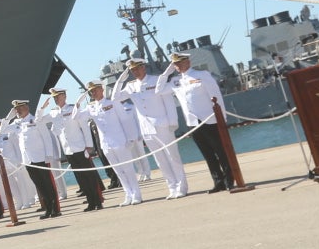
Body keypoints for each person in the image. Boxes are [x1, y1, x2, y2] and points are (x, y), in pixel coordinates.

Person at [114, 59, 189, 198]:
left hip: (162, 124)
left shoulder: (156, 80)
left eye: (137, 68)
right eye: (132, 70)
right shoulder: (131, 86)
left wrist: (172, 122)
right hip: (146, 129)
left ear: (144, 67)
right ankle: (172, 187)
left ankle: (182, 187)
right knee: (160, 160)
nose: (135, 72)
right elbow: (115, 98)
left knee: (173, 157)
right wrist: (120, 81)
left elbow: (168, 101)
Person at [162, 53, 235, 191]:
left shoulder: (202, 75)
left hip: (210, 120)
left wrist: (222, 118)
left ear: (188, 62)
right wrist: (167, 73)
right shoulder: (176, 81)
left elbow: (216, 96)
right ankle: (218, 181)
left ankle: (229, 180)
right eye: (175, 64)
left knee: (221, 152)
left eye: (180, 62)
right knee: (207, 154)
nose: (178, 66)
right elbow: (159, 90)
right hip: (193, 123)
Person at [44, 89, 105, 211]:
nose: (56, 99)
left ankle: (97, 201)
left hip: (80, 148)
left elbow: (85, 128)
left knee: (90, 176)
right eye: (54, 97)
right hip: (68, 150)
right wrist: (42, 108)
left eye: (58, 96)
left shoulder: (73, 109)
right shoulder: (54, 113)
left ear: (64, 96)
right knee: (81, 177)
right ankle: (90, 201)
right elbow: (39, 120)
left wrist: (89, 146)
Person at [82, 83, 143, 205]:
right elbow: (76, 116)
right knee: (119, 171)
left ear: (101, 89)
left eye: (95, 90)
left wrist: (130, 139)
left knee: (128, 169)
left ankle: (136, 194)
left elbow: (125, 120)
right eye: (91, 92)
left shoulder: (113, 103)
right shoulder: (91, 108)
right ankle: (128, 194)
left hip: (120, 141)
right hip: (106, 145)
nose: (93, 93)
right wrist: (80, 99)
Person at [3, 100, 62, 217]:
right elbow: (2, 131)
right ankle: (48, 209)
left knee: (48, 184)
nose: (18, 111)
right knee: (39, 185)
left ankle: (56, 209)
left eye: (20, 108)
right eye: (16, 109)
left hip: (40, 158)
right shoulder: (16, 123)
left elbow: (46, 137)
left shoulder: (36, 120)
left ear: (26, 108)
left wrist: (48, 155)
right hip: (28, 160)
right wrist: (7, 118)